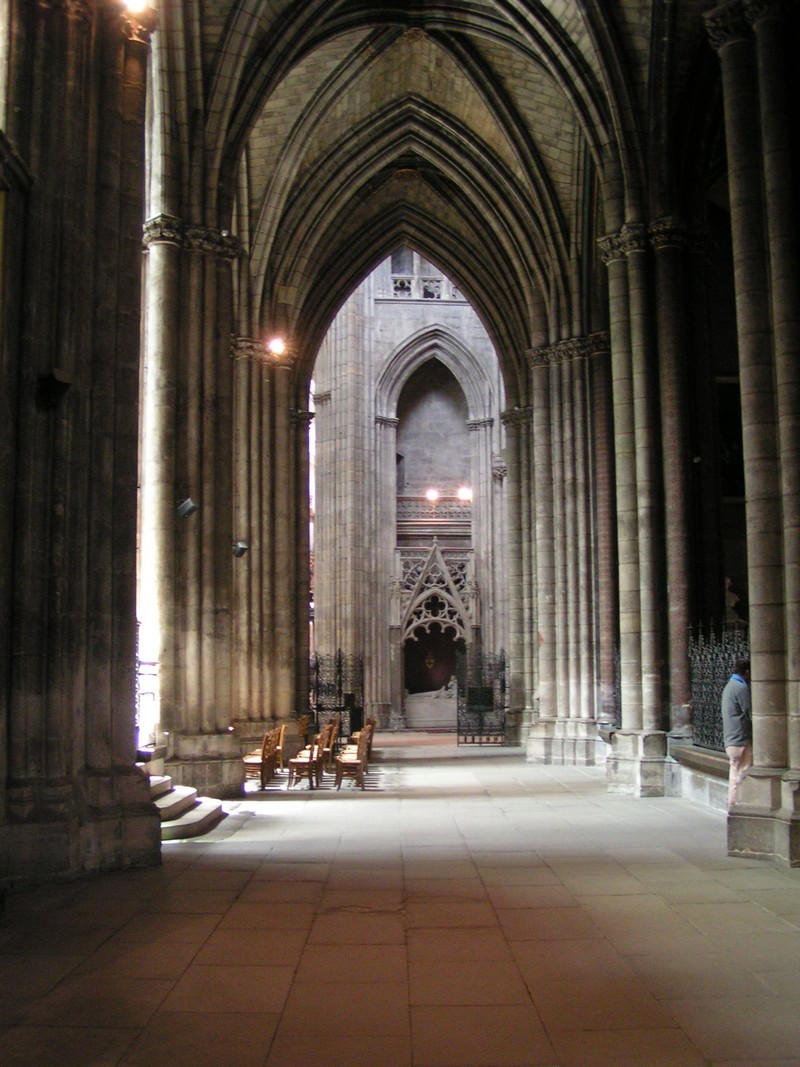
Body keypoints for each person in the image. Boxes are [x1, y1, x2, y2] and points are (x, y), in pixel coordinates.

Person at [721, 659, 752, 809]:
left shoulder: (730, 685)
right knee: (742, 773)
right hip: (740, 739)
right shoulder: (741, 687)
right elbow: (750, 712)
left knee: (735, 773)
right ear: (747, 672)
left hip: (731, 739)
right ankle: (737, 806)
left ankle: (732, 804)